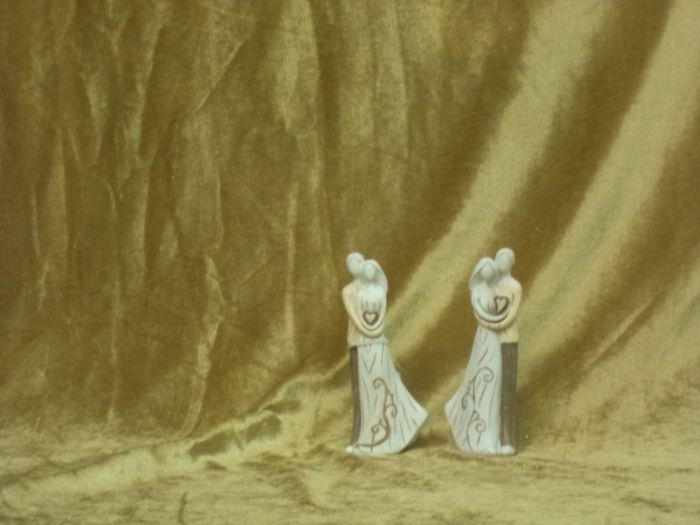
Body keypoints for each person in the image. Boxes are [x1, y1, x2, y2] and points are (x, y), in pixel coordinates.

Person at [342, 257, 427, 455]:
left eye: (357, 262)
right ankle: (365, 437)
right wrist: (368, 330)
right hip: (360, 341)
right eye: (350, 263)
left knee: (378, 384)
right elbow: (355, 316)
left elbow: (379, 315)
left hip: (374, 342)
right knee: (364, 390)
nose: (354, 266)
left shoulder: (377, 292)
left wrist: (373, 331)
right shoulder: (351, 291)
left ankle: (385, 432)